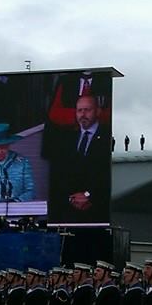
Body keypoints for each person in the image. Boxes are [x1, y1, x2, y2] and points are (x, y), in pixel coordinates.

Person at [46, 94, 112, 223]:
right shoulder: (66, 139)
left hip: (98, 213)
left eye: (87, 110)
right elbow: (58, 176)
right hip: (68, 213)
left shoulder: (107, 138)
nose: (83, 114)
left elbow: (105, 176)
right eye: (79, 110)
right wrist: (70, 198)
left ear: (98, 111)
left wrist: (88, 196)